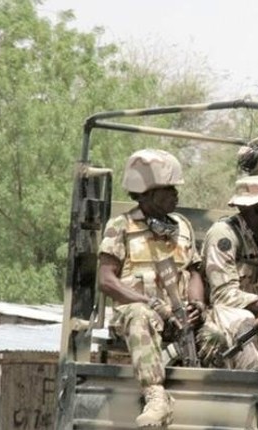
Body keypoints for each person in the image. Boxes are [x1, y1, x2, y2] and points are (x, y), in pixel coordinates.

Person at [98, 149, 205, 428]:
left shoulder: (183, 226)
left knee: (226, 325)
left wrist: (197, 306)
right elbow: (107, 280)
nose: (175, 194)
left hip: (179, 319)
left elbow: (194, 272)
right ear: (146, 193)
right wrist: (151, 303)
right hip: (141, 321)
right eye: (167, 189)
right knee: (138, 314)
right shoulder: (121, 226)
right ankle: (156, 397)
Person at [197, 175, 258, 369]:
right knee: (245, 322)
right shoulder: (224, 234)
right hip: (225, 315)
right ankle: (251, 388)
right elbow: (222, 295)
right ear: (255, 209)